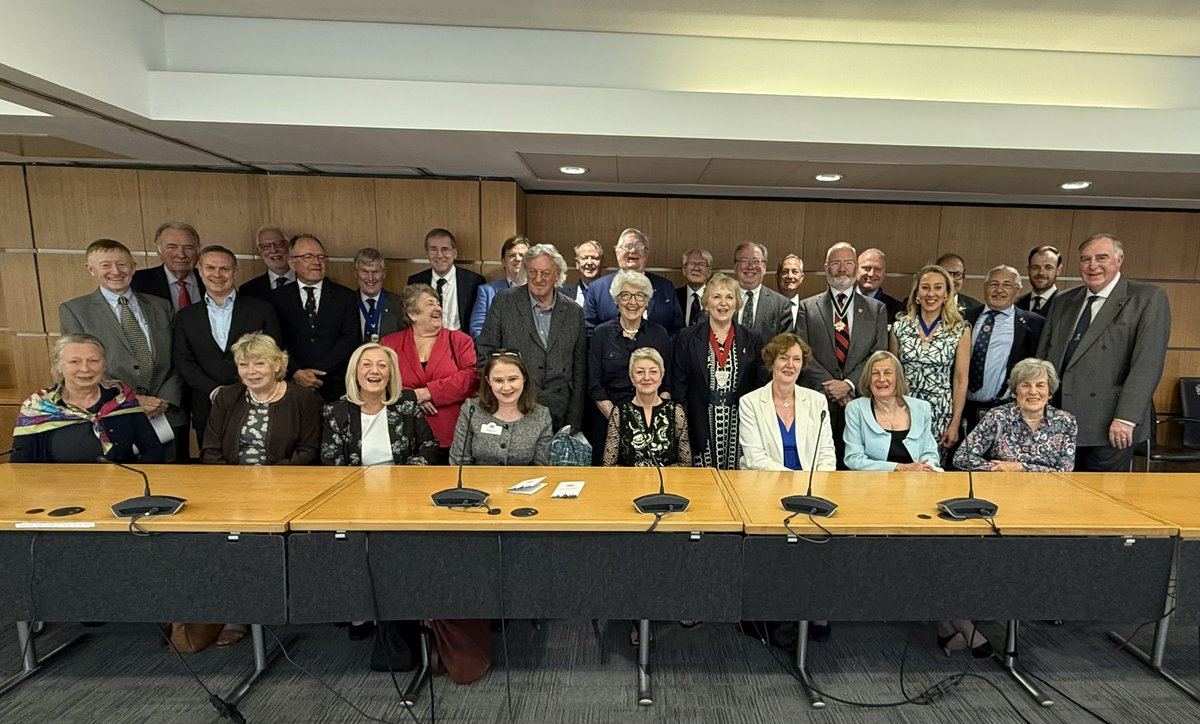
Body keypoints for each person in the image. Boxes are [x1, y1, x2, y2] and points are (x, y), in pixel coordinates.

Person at [1037, 233, 1170, 472]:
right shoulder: (1064, 301)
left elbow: (1147, 365)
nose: (1092, 266)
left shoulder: (1146, 298)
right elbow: (1043, 358)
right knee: (1056, 492)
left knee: (1102, 494)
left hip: (1109, 426)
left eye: (1101, 258)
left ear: (1119, 260)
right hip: (1057, 423)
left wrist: (1126, 418)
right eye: (1085, 259)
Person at [59, 238, 188, 461]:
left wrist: (164, 399)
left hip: (165, 413)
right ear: (91, 270)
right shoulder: (75, 311)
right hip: (111, 413)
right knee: (121, 476)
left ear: (133, 267)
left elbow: (178, 356)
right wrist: (131, 401)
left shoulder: (161, 306)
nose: (116, 271)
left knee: (172, 475)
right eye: (106, 265)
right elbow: (81, 368)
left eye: (122, 264)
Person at [173, 245, 282, 444]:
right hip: (207, 404)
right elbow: (183, 360)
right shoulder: (185, 316)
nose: (217, 274)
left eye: (224, 268)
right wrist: (215, 390)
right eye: (210, 268)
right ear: (200, 270)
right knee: (211, 460)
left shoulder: (261, 310)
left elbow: (274, 354)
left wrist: (243, 389)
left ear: (234, 272)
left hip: (255, 400)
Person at [794, 242, 889, 466]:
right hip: (819, 400)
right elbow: (802, 352)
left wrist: (848, 384)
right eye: (836, 263)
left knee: (856, 467)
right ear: (826, 267)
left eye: (848, 263)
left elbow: (878, 354)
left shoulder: (876, 309)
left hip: (858, 401)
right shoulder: (808, 307)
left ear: (856, 267)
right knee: (817, 464)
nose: (842, 268)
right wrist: (831, 387)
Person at [475, 244, 586, 433]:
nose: (538, 279)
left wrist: (574, 420)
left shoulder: (574, 311)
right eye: (533, 272)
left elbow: (579, 370)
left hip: (558, 412)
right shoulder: (504, 301)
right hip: (511, 408)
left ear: (557, 275)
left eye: (545, 273)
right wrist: (497, 399)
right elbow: (485, 352)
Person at [12, 334, 163, 463]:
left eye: (93, 361)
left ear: (104, 365)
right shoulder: (38, 407)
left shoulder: (122, 400)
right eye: (74, 361)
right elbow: (21, 464)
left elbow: (154, 451)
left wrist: (132, 482)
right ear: (59, 366)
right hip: (58, 486)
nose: (85, 369)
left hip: (121, 484)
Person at [670, 273, 767, 469]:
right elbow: (678, 382)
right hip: (699, 421)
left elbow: (761, 383)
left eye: (729, 297)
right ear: (706, 303)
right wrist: (685, 420)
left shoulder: (753, 338)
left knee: (738, 479)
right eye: (716, 297)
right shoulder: (688, 337)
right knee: (704, 480)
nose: (723, 303)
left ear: (737, 303)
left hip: (740, 423)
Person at [380, 284, 478, 457]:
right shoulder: (389, 344)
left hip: (452, 435)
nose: (438, 308)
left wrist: (429, 393)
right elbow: (382, 383)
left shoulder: (460, 340)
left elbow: (470, 377)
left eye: (438, 303)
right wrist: (412, 397)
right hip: (405, 434)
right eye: (430, 303)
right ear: (413, 314)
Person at [201, 332, 321, 466]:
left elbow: (308, 451)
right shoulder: (226, 396)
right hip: (231, 476)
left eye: (259, 363)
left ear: (276, 365)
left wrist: (273, 475)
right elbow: (210, 450)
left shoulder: (302, 398)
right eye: (243, 364)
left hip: (284, 476)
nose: (251, 371)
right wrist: (230, 476)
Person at [589, 270, 673, 460]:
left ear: (647, 301)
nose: (632, 302)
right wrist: (619, 420)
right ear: (616, 300)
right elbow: (595, 385)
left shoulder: (659, 334)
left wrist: (652, 419)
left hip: (652, 424)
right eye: (625, 295)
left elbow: (668, 384)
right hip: (609, 421)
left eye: (639, 296)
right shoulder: (601, 334)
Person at [889, 265, 971, 455]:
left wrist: (955, 423)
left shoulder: (960, 329)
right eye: (925, 287)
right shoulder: (899, 328)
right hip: (903, 409)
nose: (931, 293)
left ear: (946, 294)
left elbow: (960, 380)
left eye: (938, 287)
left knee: (931, 467)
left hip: (939, 413)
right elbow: (892, 375)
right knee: (901, 464)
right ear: (917, 294)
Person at [270, 233, 360, 402]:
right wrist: (296, 372)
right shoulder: (276, 299)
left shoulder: (345, 296)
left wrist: (317, 372)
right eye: (308, 257)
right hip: (290, 385)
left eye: (320, 257)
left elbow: (350, 338)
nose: (316, 262)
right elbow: (274, 341)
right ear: (292, 262)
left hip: (335, 384)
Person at [321, 343, 440, 467]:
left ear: (390, 374)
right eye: (366, 364)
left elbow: (429, 446)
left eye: (382, 365)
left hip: (402, 477)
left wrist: (407, 472)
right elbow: (331, 461)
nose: (374, 371)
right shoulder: (337, 412)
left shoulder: (406, 403)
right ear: (355, 372)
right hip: (356, 479)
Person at [954, 358, 1078, 472]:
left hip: (1049, 487)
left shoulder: (1065, 421)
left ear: (1049, 393)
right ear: (1014, 392)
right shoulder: (997, 417)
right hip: (1004, 485)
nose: (1033, 391)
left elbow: (1065, 469)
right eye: (1026, 385)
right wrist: (997, 468)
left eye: (1040, 385)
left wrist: (1020, 467)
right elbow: (962, 457)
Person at [962, 265, 1043, 433]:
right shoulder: (964, 317)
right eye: (993, 284)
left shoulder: (1034, 324)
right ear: (985, 287)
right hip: (963, 410)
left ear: (1017, 290)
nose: (999, 290)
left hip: (1006, 411)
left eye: (1007, 285)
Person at [739, 333, 836, 471]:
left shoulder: (817, 401)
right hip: (766, 480)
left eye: (796, 359)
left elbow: (826, 455)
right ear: (772, 362)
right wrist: (794, 479)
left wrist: (816, 480)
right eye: (784, 358)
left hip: (810, 481)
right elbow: (755, 458)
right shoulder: (750, 403)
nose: (790, 365)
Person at [843, 351, 942, 471]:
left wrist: (925, 468)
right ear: (868, 379)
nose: (881, 379)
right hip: (873, 480)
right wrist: (898, 467)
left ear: (898, 378)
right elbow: (853, 459)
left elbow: (930, 453)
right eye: (875, 373)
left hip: (916, 479)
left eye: (887, 373)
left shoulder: (921, 408)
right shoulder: (855, 408)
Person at [450, 351, 552, 466]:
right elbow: (459, 462)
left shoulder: (541, 415)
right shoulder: (471, 409)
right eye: (498, 380)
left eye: (512, 379)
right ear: (488, 381)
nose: (506, 387)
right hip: (476, 478)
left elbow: (541, 466)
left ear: (524, 378)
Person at [584, 228, 683, 337]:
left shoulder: (665, 287)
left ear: (646, 254)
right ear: (617, 253)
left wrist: (662, 346)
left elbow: (677, 330)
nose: (632, 250)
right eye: (627, 246)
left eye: (638, 246)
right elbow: (589, 332)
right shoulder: (597, 289)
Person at [603, 348, 690, 467]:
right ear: (631, 377)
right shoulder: (620, 412)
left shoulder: (675, 411)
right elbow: (609, 465)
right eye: (640, 372)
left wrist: (658, 476)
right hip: (629, 479)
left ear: (661, 376)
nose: (647, 377)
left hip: (667, 479)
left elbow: (685, 463)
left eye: (653, 372)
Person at [407, 227, 485, 333]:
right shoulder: (415, 282)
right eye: (433, 249)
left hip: (460, 340)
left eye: (445, 249)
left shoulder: (474, 282)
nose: (439, 255)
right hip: (426, 339)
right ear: (427, 254)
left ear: (454, 253)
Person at [130, 221, 204, 312]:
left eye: (188, 247)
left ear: (198, 250)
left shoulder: (211, 279)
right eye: (172, 247)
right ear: (159, 250)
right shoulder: (137, 281)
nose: (181, 255)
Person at [469, 235, 530, 337]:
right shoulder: (487, 292)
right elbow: (477, 330)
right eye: (511, 255)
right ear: (503, 262)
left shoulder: (541, 291)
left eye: (522, 255)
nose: (517, 259)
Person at [733, 242, 792, 341]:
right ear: (735, 267)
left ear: (764, 268)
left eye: (756, 261)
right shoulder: (721, 300)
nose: (750, 266)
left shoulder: (781, 305)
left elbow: (784, 345)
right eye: (744, 261)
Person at [352, 247, 405, 342]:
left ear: (384, 273)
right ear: (356, 273)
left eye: (375, 272)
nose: (370, 278)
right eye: (365, 272)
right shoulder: (347, 303)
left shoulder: (399, 305)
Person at [239, 225, 295, 299]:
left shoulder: (307, 281)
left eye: (279, 244)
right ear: (259, 250)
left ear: (288, 246)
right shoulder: (247, 290)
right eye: (266, 246)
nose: (273, 250)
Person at [857, 248, 905, 324]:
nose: (871, 274)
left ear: (884, 274)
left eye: (877, 269)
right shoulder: (841, 302)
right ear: (855, 270)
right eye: (867, 268)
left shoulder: (897, 310)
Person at [1016, 245, 1065, 316]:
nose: (1041, 273)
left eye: (1048, 267)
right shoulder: (1016, 305)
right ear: (1028, 270)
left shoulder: (1067, 305)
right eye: (1035, 267)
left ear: (1058, 270)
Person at [935, 253, 984, 318]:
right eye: (946, 274)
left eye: (957, 274)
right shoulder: (923, 305)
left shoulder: (977, 310)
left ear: (963, 277)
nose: (951, 280)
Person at [676, 248, 714, 328]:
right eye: (691, 264)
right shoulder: (673, 296)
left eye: (702, 265)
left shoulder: (715, 298)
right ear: (684, 270)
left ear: (709, 272)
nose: (696, 268)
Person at [775, 254, 805, 331]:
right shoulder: (768, 306)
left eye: (794, 272)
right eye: (785, 271)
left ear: (801, 277)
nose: (790, 276)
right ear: (777, 276)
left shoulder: (809, 309)